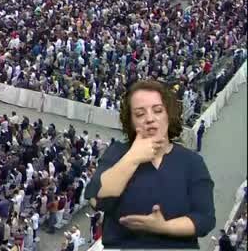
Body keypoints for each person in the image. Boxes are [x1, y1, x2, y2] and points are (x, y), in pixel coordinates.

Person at [85, 80, 215, 249]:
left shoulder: (192, 161)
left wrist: (164, 227)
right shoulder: (117, 152)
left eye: (158, 110)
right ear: (131, 122)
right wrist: (132, 157)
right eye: (140, 114)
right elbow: (97, 199)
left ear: (169, 115)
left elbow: (205, 218)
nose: (150, 119)